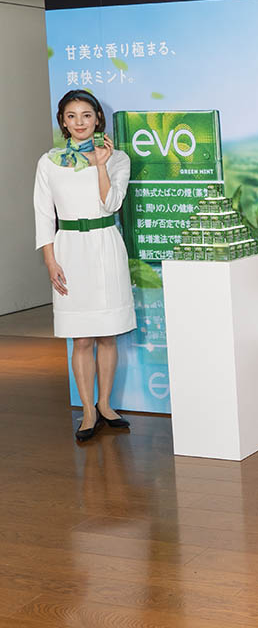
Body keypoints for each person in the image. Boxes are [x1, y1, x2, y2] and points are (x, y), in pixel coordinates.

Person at [34, 90, 136, 442]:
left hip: (105, 243)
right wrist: (50, 260)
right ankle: (88, 411)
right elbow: (43, 214)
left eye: (87, 115)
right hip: (69, 249)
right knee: (81, 337)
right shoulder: (49, 162)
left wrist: (100, 165)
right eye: (72, 116)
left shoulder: (118, 158)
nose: (80, 122)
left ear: (97, 119)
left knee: (107, 333)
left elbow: (112, 204)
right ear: (63, 121)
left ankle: (105, 404)